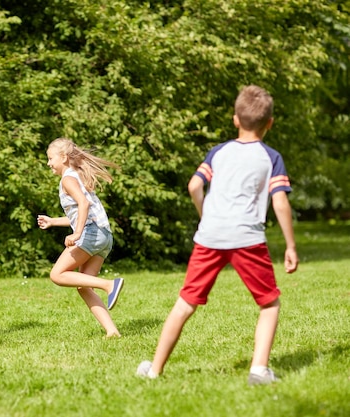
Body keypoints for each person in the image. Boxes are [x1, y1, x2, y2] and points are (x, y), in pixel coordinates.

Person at [136, 85, 299, 385]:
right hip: (247, 239)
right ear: (270, 123)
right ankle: (259, 370)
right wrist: (290, 245)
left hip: (209, 236)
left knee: (186, 302)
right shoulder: (271, 157)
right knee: (269, 303)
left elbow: (194, 186)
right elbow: (279, 201)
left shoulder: (218, 152)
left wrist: (205, 215)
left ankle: (155, 370)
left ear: (236, 119)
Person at [37, 138, 124, 338]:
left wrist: (77, 234)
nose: (49, 163)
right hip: (103, 235)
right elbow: (78, 214)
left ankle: (109, 285)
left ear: (64, 158)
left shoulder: (67, 179)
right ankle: (112, 331)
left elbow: (83, 204)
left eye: (51, 158)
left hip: (91, 233)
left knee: (57, 275)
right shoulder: (75, 176)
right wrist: (52, 222)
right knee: (83, 286)